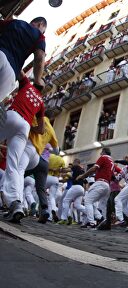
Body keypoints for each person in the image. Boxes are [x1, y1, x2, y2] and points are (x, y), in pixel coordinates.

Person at [0, 73, 45, 223]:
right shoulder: (41, 103)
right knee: (13, 165)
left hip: (13, 115)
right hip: (25, 127)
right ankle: (15, 203)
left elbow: (19, 71)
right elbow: (41, 130)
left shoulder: (26, 84)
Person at [0, 17, 47, 101]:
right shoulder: (40, 37)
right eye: (43, 31)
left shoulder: (15, 22)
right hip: (10, 74)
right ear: (40, 25)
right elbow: (40, 57)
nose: (42, 33)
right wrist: (38, 80)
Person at [76, 147, 121, 228]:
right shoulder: (112, 163)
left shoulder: (103, 157)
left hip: (100, 183)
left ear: (103, 152)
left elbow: (94, 168)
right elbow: (117, 175)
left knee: (88, 201)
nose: (100, 154)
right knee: (102, 206)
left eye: (101, 152)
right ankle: (103, 221)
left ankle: (92, 222)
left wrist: (82, 176)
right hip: (107, 186)